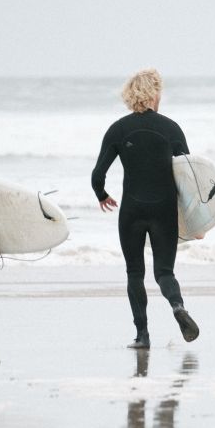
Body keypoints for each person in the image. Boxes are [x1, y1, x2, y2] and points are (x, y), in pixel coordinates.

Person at [91, 68, 200, 349]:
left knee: (134, 273)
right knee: (164, 272)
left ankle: (142, 336)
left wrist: (102, 195)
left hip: (132, 211)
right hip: (164, 210)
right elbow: (190, 179)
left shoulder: (118, 129)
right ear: (154, 93)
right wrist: (196, 221)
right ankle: (177, 307)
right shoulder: (171, 128)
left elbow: (97, 175)